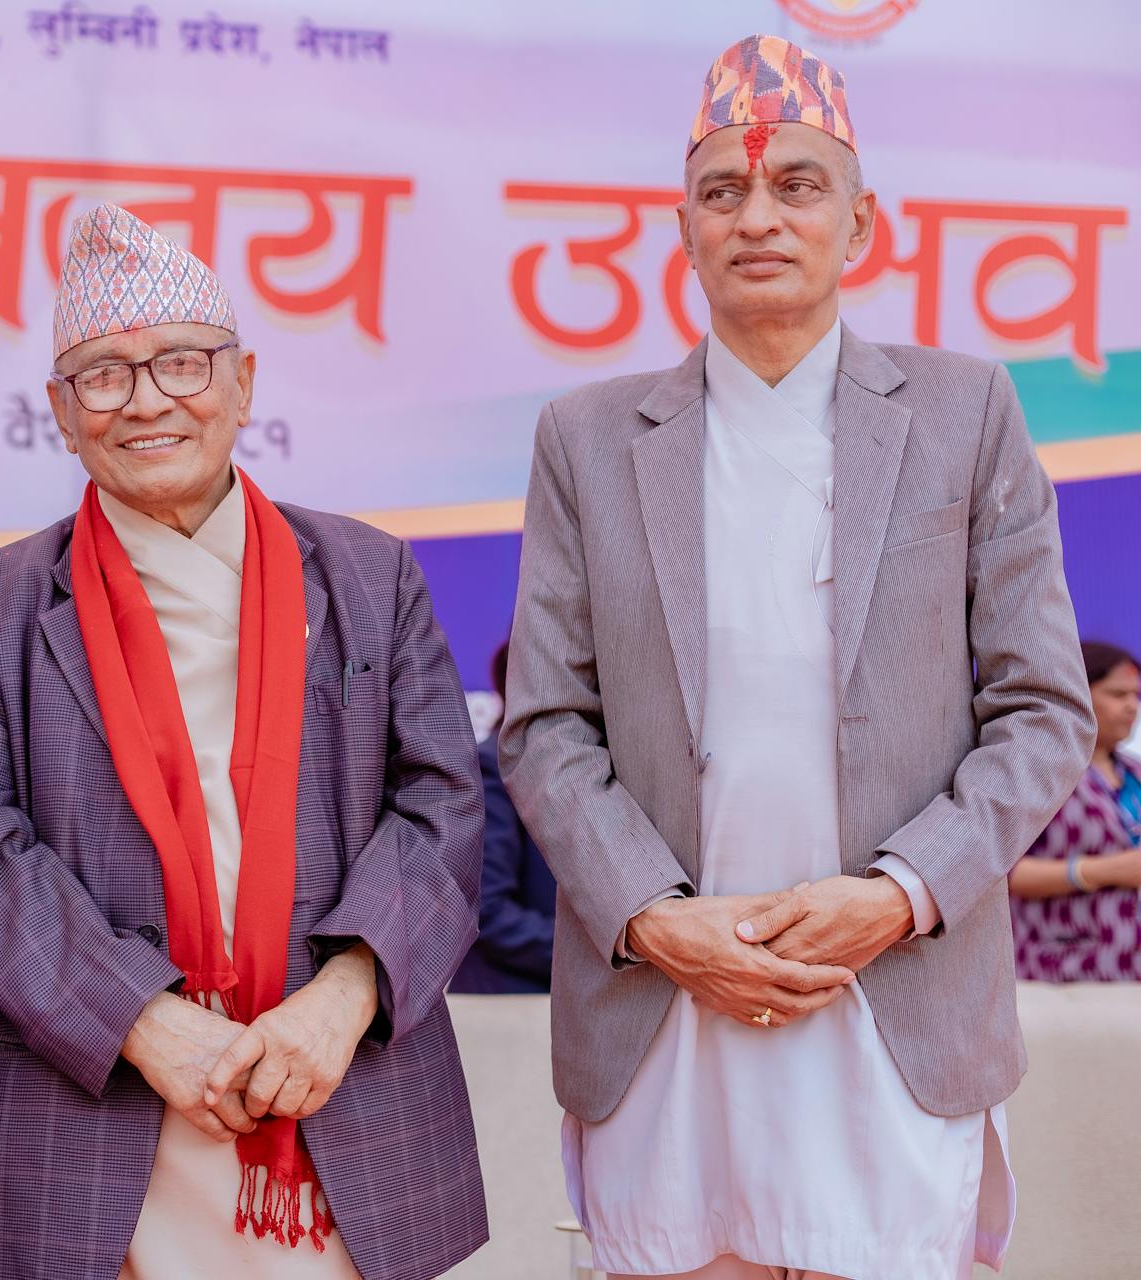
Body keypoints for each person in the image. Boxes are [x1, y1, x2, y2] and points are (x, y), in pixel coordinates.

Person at [499, 35, 1094, 1280]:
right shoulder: (587, 438)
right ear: (684, 227)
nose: (758, 217)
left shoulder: (966, 412)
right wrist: (661, 921)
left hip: (893, 1000)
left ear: (863, 222)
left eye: (796, 186)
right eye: (724, 192)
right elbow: (546, 724)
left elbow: (1042, 708)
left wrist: (895, 893)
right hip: (670, 1006)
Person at [0, 204, 487, 1280]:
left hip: (333, 1087)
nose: (148, 402)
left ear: (245, 382)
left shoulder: (371, 575)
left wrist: (345, 994)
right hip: (83, 1112)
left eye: (181, 363)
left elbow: (444, 805)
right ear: (60, 411)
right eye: (105, 375)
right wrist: (141, 1020)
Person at [1010, 641, 1141, 979]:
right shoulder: (1042, 772)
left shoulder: (1134, 772)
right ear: (1077, 694)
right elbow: (1001, 874)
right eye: (1117, 694)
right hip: (1065, 972)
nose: (1131, 707)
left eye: (1135, 696)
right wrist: (1104, 870)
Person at [451, 642, 557, 994]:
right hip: (509, 1013)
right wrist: (623, 948)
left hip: (563, 1006)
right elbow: (487, 912)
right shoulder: (492, 767)